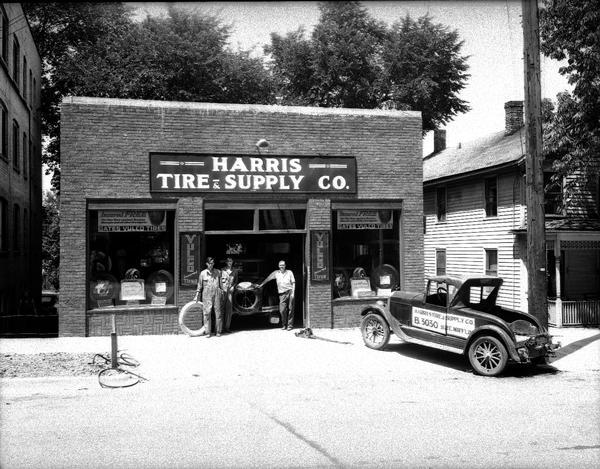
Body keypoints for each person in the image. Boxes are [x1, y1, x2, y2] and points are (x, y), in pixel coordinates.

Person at [259, 260, 295, 330]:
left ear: (285, 266)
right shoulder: (276, 273)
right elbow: (268, 279)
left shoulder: (289, 272)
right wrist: (261, 285)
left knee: (291, 309)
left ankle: (290, 325)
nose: (282, 266)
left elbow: (293, 283)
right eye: (281, 265)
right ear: (278, 266)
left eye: (283, 265)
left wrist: (293, 292)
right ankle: (284, 324)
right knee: (282, 310)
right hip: (281, 294)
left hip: (290, 291)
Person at [194, 256, 222, 337]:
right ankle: (208, 332)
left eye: (213, 263)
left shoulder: (218, 272)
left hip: (217, 293)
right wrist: (196, 296)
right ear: (207, 264)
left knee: (218, 313)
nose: (211, 265)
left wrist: (222, 293)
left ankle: (218, 331)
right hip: (206, 294)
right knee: (207, 313)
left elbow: (221, 285)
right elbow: (199, 286)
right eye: (210, 263)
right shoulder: (202, 273)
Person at [219, 257, 238, 333]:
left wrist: (233, 286)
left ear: (232, 262)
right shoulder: (222, 270)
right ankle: (220, 328)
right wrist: (220, 289)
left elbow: (236, 280)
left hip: (230, 292)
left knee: (229, 310)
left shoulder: (235, 271)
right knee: (221, 309)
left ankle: (227, 328)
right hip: (223, 292)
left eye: (231, 261)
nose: (229, 262)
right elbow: (219, 281)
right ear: (226, 262)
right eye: (228, 261)